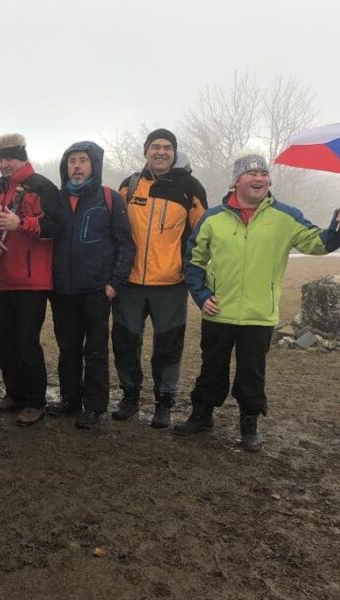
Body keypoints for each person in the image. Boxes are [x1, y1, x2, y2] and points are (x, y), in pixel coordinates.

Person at [175, 155, 340, 451]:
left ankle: (249, 423)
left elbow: (320, 243)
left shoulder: (285, 216)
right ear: (236, 181)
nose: (259, 179)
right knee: (211, 369)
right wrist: (202, 295)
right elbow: (193, 260)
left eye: (263, 173)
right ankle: (202, 414)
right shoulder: (213, 218)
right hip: (218, 312)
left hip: (259, 315)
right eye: (251, 173)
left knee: (252, 373)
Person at [110, 129, 208, 428]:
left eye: (168, 147)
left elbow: (203, 235)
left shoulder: (190, 187)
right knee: (125, 342)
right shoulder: (129, 185)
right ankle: (130, 395)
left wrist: (193, 273)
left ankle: (164, 401)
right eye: (156, 147)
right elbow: (116, 232)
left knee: (168, 346)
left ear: (175, 153)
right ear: (145, 151)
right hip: (130, 283)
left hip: (170, 283)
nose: (161, 152)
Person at [45, 141, 135, 428]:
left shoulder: (109, 198)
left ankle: (94, 406)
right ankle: (70, 399)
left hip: (97, 289)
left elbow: (125, 244)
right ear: (65, 166)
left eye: (83, 160)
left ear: (94, 165)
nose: (77, 166)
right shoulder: (56, 199)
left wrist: (114, 282)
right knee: (67, 348)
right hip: (62, 291)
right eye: (72, 161)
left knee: (95, 350)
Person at [0, 133, 61, 426]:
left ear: (23, 156)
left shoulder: (42, 186)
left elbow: (57, 226)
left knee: (25, 342)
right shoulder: (0, 190)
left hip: (32, 281)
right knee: (1, 340)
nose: (4, 164)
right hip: (1, 278)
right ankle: (14, 392)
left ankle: (34, 400)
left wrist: (22, 223)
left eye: (10, 158)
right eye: (1, 158)